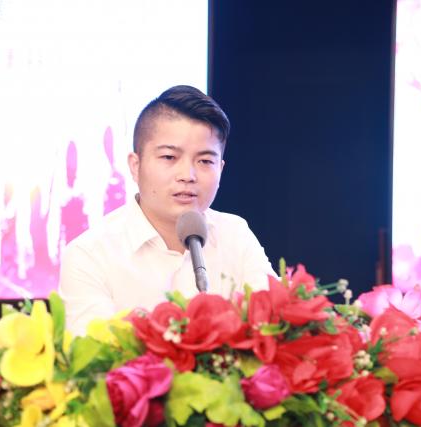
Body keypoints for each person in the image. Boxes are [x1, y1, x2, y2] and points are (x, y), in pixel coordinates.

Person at [59, 85, 275, 336]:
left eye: (205, 161)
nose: (188, 175)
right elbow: (96, 352)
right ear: (135, 166)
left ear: (221, 169)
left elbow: (276, 322)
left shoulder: (235, 234)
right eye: (169, 157)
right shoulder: (89, 255)